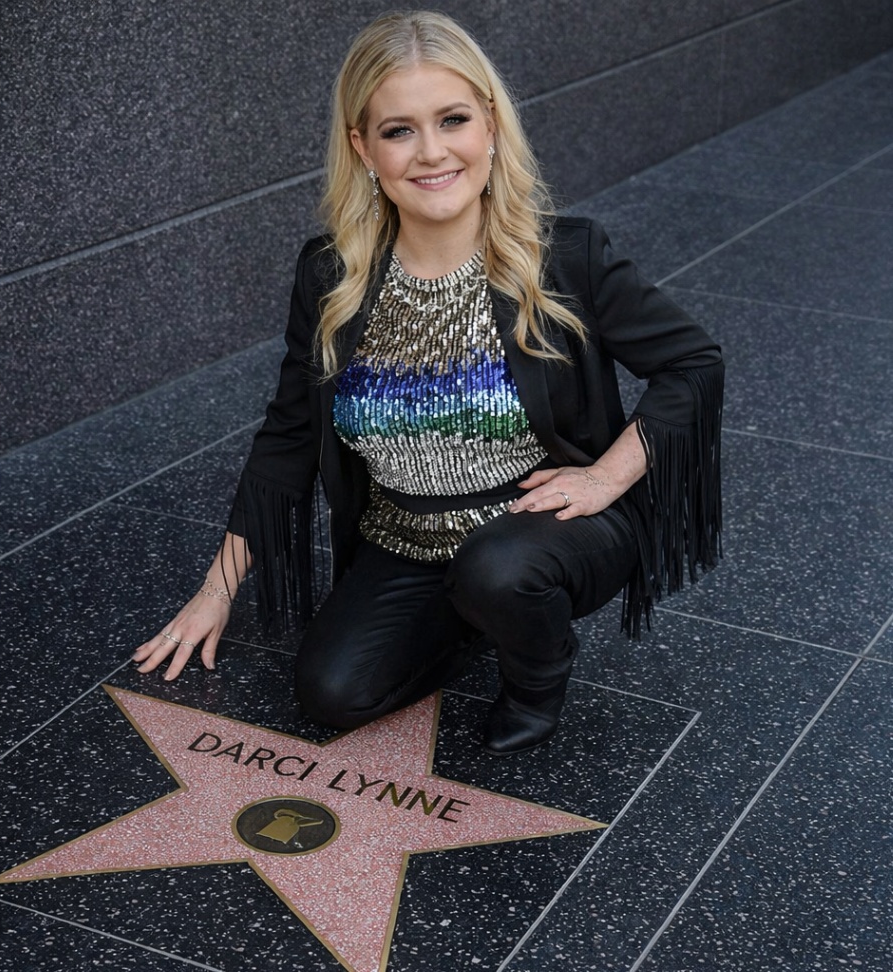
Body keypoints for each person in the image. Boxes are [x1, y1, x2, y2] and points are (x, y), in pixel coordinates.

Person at [133, 10, 723, 757]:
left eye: (453, 120)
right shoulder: (331, 276)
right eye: (399, 130)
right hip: (403, 536)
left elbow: (694, 364)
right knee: (332, 694)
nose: (432, 151)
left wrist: (606, 478)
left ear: (491, 126)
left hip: (543, 532)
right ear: (363, 148)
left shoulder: (565, 259)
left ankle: (536, 672)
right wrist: (215, 592)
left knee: (498, 570)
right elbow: (288, 435)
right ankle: (475, 616)